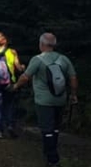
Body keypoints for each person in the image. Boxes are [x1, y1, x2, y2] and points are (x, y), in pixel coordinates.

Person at [11, 33, 78, 167]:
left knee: (47, 129)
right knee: (55, 128)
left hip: (43, 101)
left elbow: (25, 77)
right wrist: (73, 94)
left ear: (42, 44)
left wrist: (15, 86)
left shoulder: (37, 59)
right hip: (60, 99)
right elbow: (73, 78)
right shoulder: (64, 59)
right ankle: (49, 153)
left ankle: (53, 159)